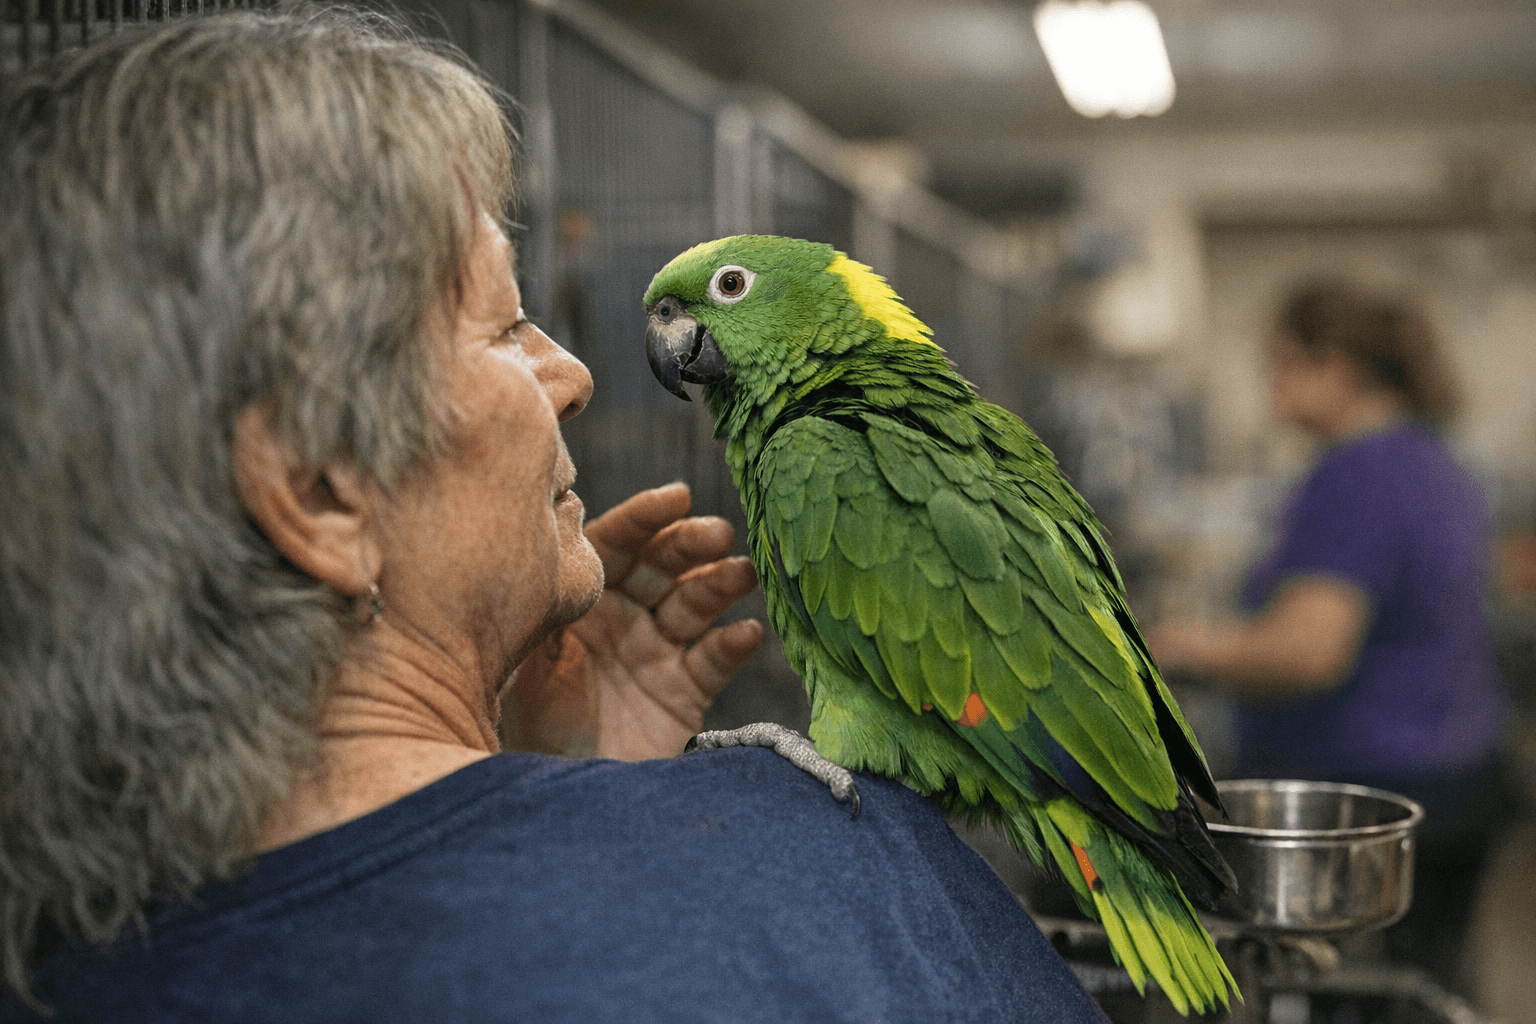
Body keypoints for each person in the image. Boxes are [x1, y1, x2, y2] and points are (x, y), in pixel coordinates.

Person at [0, 11, 1109, 1022]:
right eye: (506, 326)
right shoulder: (822, 856)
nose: (574, 372)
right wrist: (616, 824)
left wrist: (552, 773)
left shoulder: (70, 975)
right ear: (321, 489)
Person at [1149, 280, 1508, 995]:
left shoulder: (1357, 472)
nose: (1270, 387)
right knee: (1424, 986)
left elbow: (1308, 651)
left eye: (1281, 365)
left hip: (1375, 792)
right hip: (1462, 777)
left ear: (1334, 368)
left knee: (1349, 996)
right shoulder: (1435, 458)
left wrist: (1172, 646)